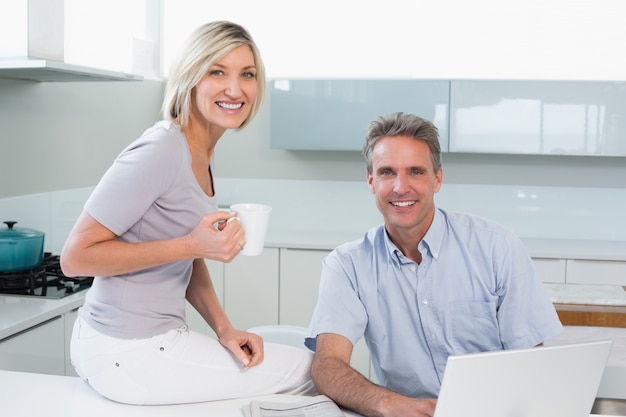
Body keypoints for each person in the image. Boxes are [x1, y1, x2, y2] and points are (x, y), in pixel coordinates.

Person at [60, 21, 314, 405]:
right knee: (314, 372)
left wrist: (224, 329)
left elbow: (187, 259)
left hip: (130, 347)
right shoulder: (161, 149)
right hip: (128, 350)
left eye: (247, 74)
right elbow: (74, 258)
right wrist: (192, 243)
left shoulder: (200, 152)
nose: (235, 88)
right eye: (217, 72)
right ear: (190, 78)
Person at [305, 112, 563, 417]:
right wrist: (387, 404)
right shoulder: (347, 265)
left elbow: (531, 364)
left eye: (415, 171)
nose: (401, 187)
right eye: (387, 172)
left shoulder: (497, 247)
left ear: (437, 179)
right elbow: (327, 366)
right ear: (371, 181)